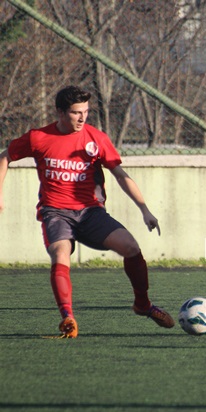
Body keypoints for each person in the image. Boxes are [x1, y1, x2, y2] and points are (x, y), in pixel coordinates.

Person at [0, 85, 175, 338]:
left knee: (131, 247)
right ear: (60, 112)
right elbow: (5, 157)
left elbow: (120, 175)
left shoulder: (97, 138)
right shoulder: (39, 137)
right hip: (56, 212)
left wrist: (144, 209)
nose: (82, 118)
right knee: (60, 253)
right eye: (76, 112)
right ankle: (68, 317)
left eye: (86, 111)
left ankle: (143, 304)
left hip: (91, 213)